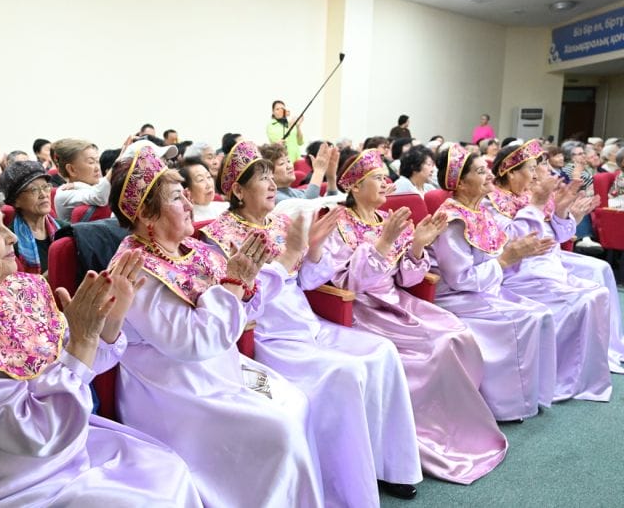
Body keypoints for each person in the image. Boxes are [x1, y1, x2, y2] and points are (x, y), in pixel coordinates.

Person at [0, 164, 202, 507]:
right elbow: (37, 433)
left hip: (65, 448)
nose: (12, 237)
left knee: (170, 469)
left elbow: (76, 367)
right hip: (11, 485)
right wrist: (82, 341)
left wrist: (109, 320)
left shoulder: (17, 290)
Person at [202, 142, 425, 503]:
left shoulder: (280, 222)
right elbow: (236, 304)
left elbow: (307, 280)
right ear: (238, 191)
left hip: (308, 322)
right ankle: (346, 486)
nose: (272, 185)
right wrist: (287, 259)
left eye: (272, 177)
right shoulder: (218, 237)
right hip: (271, 334)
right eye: (262, 179)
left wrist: (315, 247)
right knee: (346, 372)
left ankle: (391, 466)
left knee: (383, 351)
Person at [109, 146, 325, 507]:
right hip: (175, 391)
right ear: (146, 214)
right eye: (176, 197)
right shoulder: (136, 268)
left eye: (185, 193)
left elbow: (239, 309)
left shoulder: (190, 248)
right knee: (279, 428)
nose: (189, 203)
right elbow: (192, 342)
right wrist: (233, 285)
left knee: (296, 403)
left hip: (219, 368)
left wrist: (255, 278)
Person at [320, 147, 508, 483]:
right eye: (378, 178)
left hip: (398, 301)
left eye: (385, 177)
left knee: (457, 333)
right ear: (355, 186)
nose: (386, 183)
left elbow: (407, 279)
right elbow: (348, 282)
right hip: (364, 309)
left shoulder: (386, 219)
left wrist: (418, 245)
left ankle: (456, 427)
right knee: (433, 350)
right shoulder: (341, 225)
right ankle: (422, 438)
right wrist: (382, 245)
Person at [429, 144, 558, 420]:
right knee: (525, 319)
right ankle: (508, 405)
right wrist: (505, 260)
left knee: (541, 313)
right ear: (461, 183)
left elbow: (495, 251)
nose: (490, 175)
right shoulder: (453, 220)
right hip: (455, 296)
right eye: (480, 171)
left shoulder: (478, 210)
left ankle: (535, 394)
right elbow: (460, 278)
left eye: (486, 169)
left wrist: (519, 252)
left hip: (483, 287)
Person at [487, 140, 611, 402]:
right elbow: (510, 243)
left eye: (537, 168)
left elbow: (559, 236)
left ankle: (582, 373)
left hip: (546, 263)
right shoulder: (493, 203)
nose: (535, 175)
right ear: (511, 173)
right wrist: (537, 204)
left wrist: (563, 213)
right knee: (586, 298)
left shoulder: (526, 195)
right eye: (531, 169)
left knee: (598, 293)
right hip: (519, 271)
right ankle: (566, 376)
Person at [0, 161, 66, 274]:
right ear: (15, 201)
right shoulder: (10, 240)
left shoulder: (64, 229)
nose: (43, 194)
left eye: (45, 187)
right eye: (34, 190)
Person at [259, 141, 339, 202]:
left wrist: (331, 177)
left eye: (288, 161)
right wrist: (318, 172)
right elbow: (306, 208)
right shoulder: (273, 198)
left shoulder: (299, 192)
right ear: (268, 173)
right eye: (282, 163)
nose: (289, 166)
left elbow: (328, 206)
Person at [53, 139, 111, 221]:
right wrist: (118, 164)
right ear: (71, 169)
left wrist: (78, 185)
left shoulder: (94, 184)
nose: (97, 168)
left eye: (97, 161)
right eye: (91, 162)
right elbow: (100, 197)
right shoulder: (64, 193)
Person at [178, 157, 227, 222]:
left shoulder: (226, 207)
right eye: (201, 180)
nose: (209, 184)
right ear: (187, 191)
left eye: (208, 177)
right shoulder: (190, 221)